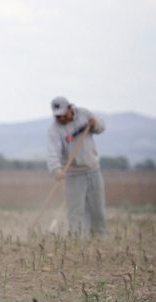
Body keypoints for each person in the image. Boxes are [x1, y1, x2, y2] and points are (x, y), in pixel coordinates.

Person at [47, 96, 106, 237]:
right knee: (75, 211)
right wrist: (56, 170)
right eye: (58, 116)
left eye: (63, 115)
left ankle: (100, 238)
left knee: (97, 209)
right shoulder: (54, 130)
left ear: (69, 108)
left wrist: (95, 123)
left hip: (93, 170)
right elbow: (52, 152)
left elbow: (101, 127)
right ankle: (76, 241)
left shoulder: (84, 114)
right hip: (73, 173)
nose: (61, 118)